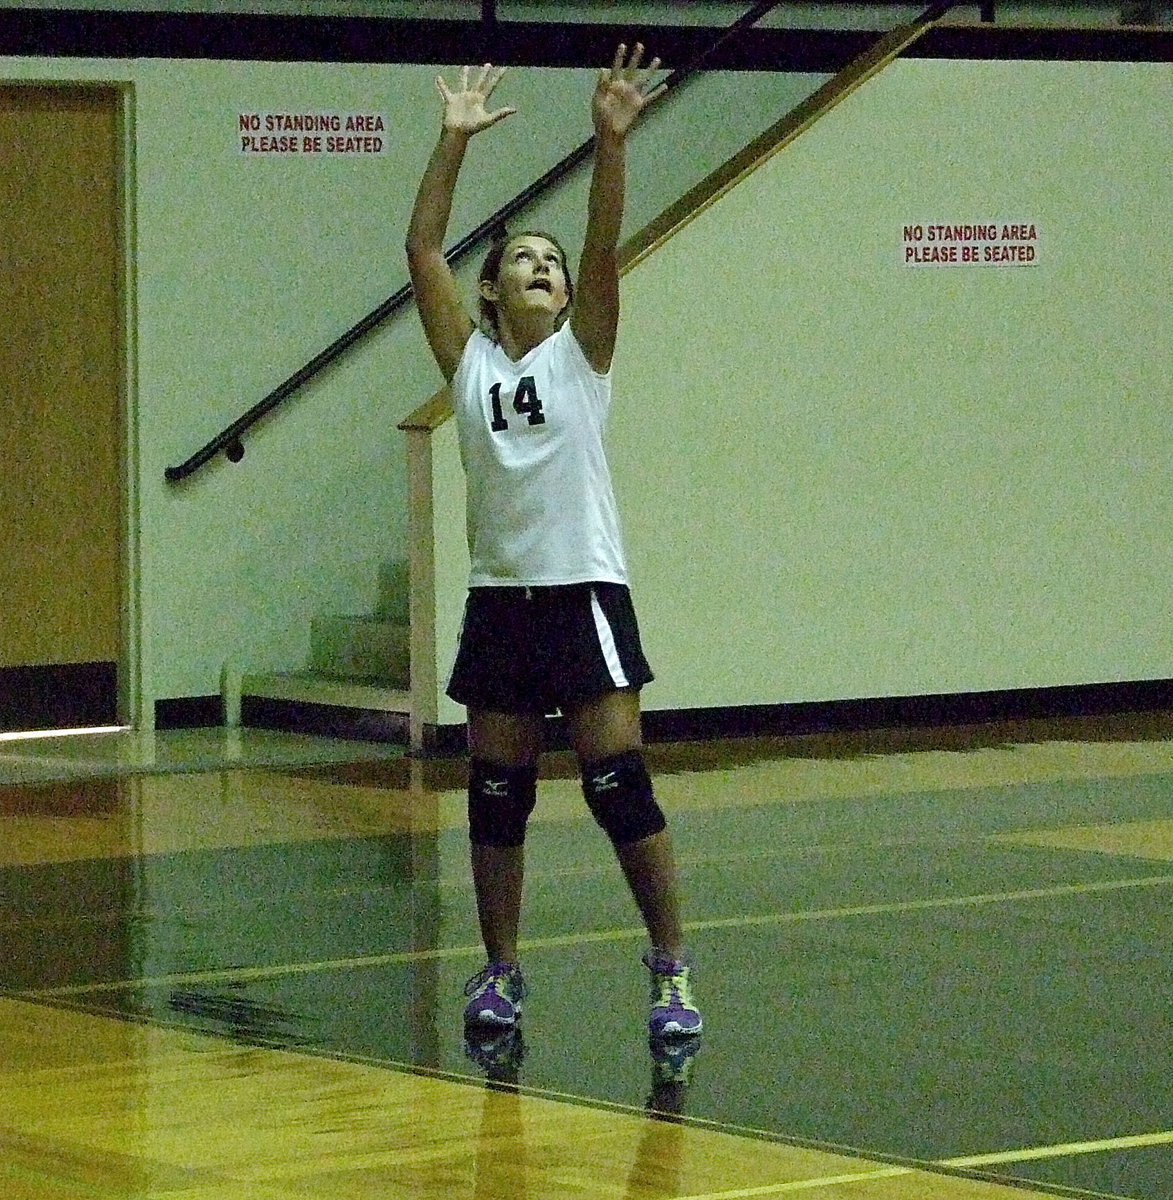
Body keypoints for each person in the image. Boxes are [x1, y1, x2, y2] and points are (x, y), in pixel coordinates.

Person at [405, 47, 701, 1040]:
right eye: (524, 259)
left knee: (618, 780)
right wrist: (453, 140)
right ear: (492, 293)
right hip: (502, 600)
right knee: (498, 797)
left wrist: (609, 142)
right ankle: (501, 972)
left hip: (583, 593)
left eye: (553, 263)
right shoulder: (470, 364)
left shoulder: (584, 358)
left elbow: (605, 244)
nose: (545, 266)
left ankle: (669, 969)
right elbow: (422, 250)